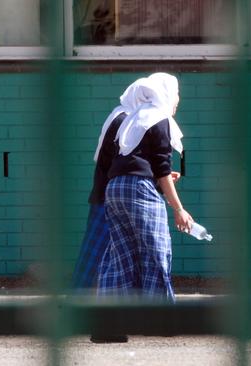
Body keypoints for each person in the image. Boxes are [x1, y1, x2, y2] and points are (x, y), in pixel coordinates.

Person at [72, 78, 181, 289]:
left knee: (109, 258)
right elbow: (124, 162)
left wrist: (155, 179)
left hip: (108, 192)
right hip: (114, 196)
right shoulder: (131, 118)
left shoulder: (125, 116)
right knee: (117, 256)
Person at [97, 72, 193, 302]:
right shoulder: (160, 119)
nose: (177, 99)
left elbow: (130, 159)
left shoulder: (135, 116)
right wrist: (179, 209)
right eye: (176, 93)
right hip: (139, 190)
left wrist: (157, 176)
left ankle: (108, 321)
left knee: (121, 255)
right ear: (167, 94)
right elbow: (161, 167)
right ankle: (159, 317)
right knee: (156, 251)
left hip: (115, 188)